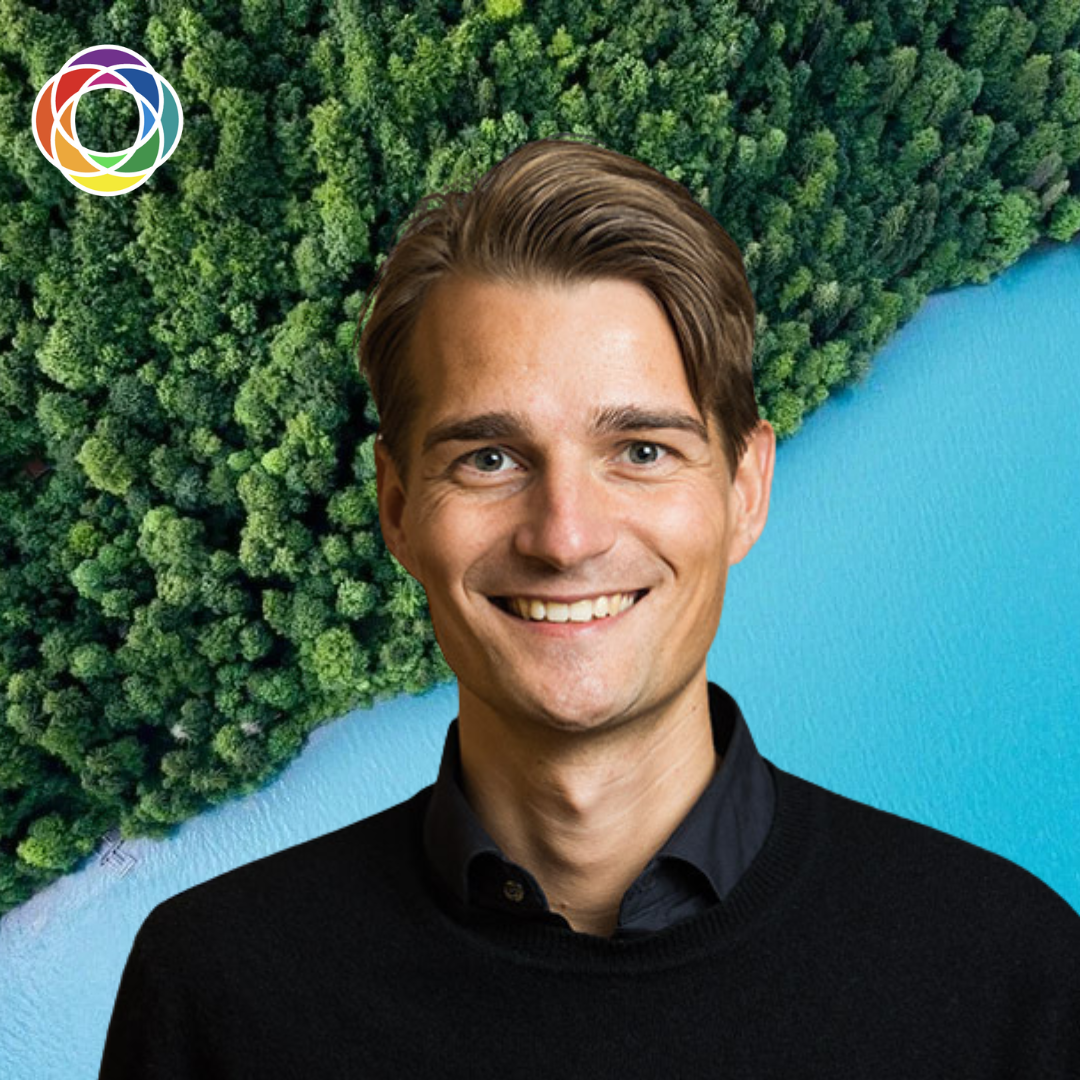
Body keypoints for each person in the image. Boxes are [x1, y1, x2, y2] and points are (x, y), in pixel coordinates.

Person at [99, 136, 1080, 1078]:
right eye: (489, 459)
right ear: (396, 507)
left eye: (642, 452)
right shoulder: (218, 994)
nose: (565, 536)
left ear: (746, 490)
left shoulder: (1007, 978)